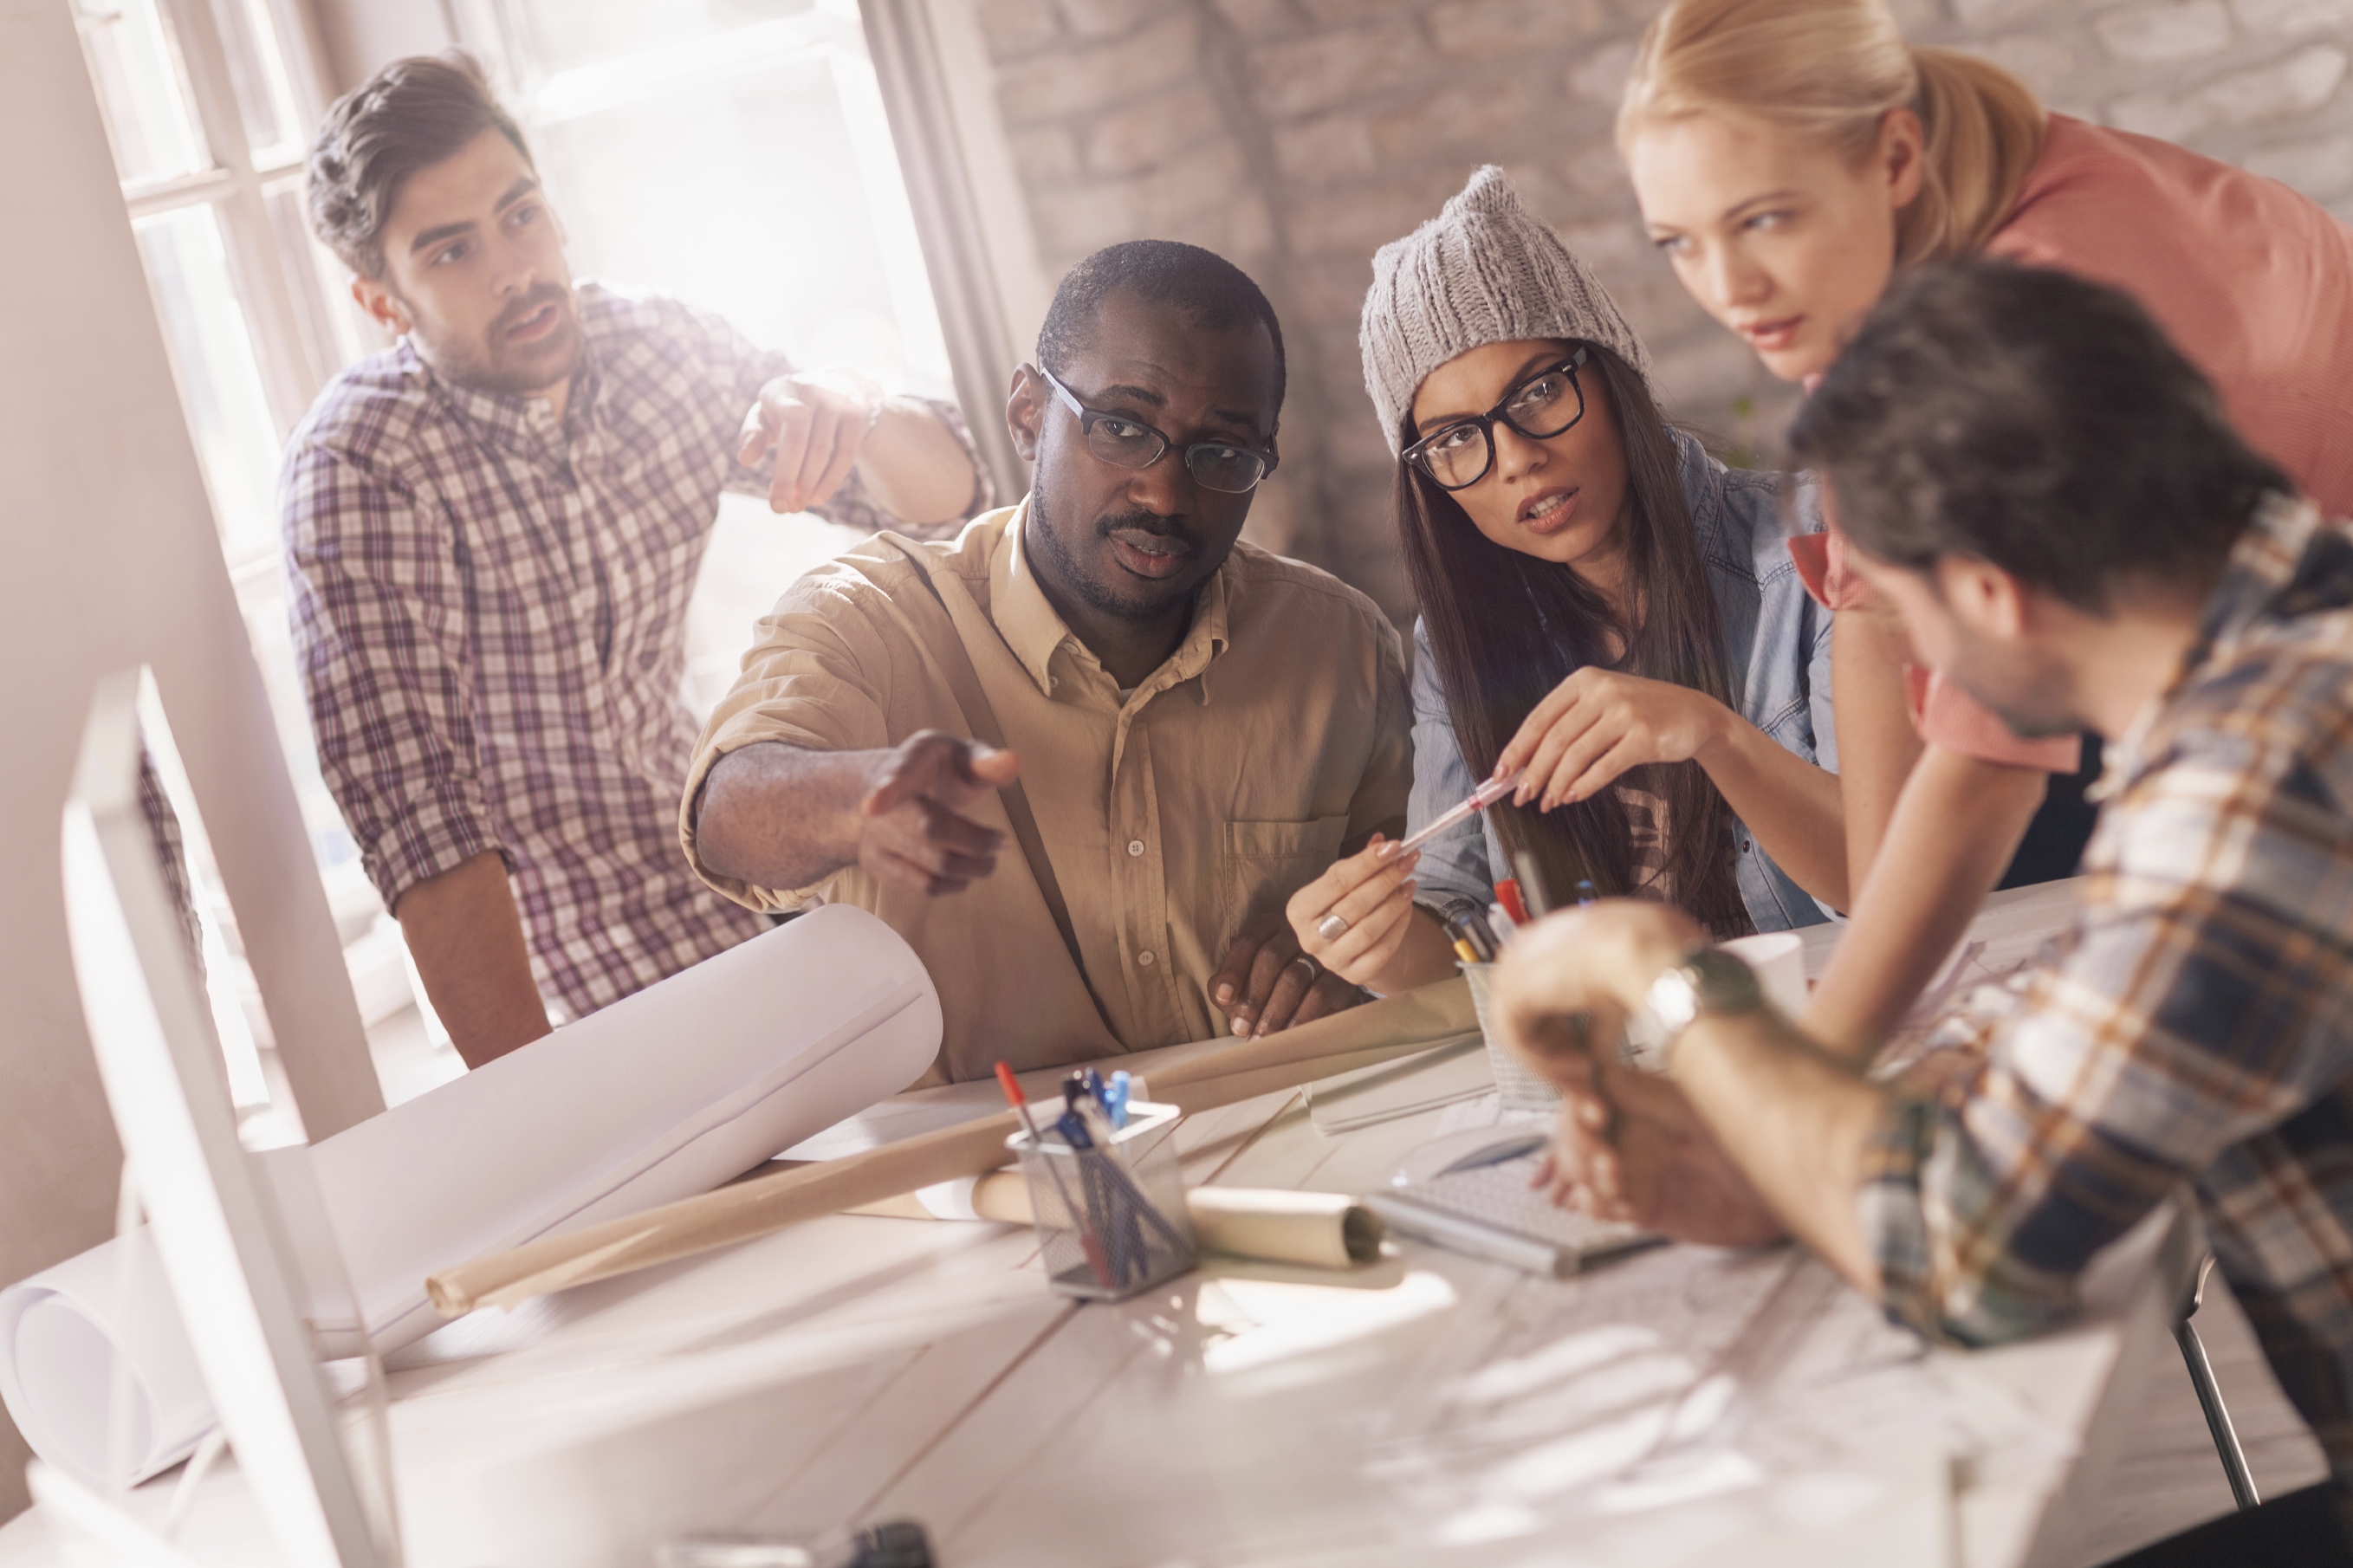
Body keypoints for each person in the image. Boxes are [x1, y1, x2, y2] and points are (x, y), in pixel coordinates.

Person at [1495, 261, 2353, 1561]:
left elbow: (1963, 1254)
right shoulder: (2291, 629)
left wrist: (1656, 978)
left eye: (1894, 613)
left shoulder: (2253, 792)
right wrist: (1782, 1140)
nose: (1914, 668)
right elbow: (2110, 990)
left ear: (1994, 593)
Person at [1617, 0, 2353, 1053]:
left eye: (1762, 219)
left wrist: (1822, 1068)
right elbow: (1876, 611)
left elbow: (1984, 753)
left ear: (1895, 154)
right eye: (1679, 243)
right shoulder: (1861, 263)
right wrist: (1867, 984)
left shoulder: (2038, 303)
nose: (1727, 290)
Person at [283, 54, 988, 1066]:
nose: (513, 271)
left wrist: (860, 408)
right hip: (554, 984)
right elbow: (424, 827)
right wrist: (552, 1117)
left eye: (521, 215)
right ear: (382, 301)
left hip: (736, 877)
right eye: (450, 253)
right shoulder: (360, 469)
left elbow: (953, 500)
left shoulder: (654, 348)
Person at [682, 241, 1412, 1084]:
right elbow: (725, 810)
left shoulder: (1335, 645)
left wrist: (1348, 950)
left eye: (1221, 455)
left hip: (1286, 1148)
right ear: (1028, 414)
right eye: (1122, 428)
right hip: (996, 1185)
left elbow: (1412, 881)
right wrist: (857, 802)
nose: (1165, 494)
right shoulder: (869, 615)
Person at [1285, 166, 1841, 994]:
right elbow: (1456, 919)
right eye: (1454, 440)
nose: (1516, 459)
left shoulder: (1812, 547)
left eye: (1539, 392)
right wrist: (1377, 943)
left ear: (1614, 378)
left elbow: (1889, 873)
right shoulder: (1461, 637)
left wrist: (1713, 735)